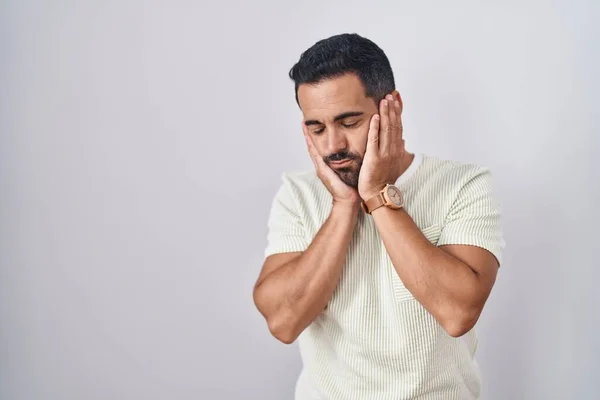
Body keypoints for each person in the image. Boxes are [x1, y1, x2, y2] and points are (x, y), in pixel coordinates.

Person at [252, 33, 505, 400]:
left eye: (349, 122)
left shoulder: (462, 185)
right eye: (316, 128)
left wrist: (378, 196)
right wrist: (343, 207)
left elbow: (457, 312)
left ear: (392, 107)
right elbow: (283, 322)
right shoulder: (299, 193)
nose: (333, 146)